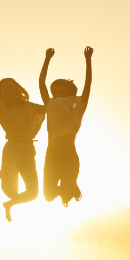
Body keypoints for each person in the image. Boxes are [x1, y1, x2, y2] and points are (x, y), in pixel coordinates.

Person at [0, 49, 47, 221]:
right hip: (11, 149)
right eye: (4, 88)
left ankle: (9, 204)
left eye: (11, 87)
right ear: (1, 92)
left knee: (33, 194)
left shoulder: (26, 105)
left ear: (16, 89)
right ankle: (4, 173)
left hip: (28, 150)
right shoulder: (1, 107)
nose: (8, 90)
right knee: (10, 191)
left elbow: (47, 108)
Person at [38, 46, 93, 206]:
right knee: (48, 197)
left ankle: (70, 185)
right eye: (55, 90)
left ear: (69, 92)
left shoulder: (78, 105)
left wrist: (88, 60)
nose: (58, 92)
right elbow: (41, 82)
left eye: (62, 90)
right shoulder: (50, 104)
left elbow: (88, 85)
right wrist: (47, 59)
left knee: (67, 197)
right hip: (52, 154)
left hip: (69, 154)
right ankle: (70, 183)